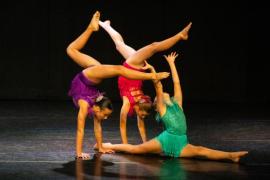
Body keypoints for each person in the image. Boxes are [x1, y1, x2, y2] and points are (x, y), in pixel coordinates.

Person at [99, 52, 249, 163]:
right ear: (158, 105)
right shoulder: (162, 109)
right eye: (158, 99)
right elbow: (158, 85)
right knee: (135, 150)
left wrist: (172, 63)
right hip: (166, 140)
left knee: (200, 151)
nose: (160, 96)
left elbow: (177, 83)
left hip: (181, 142)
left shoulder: (178, 104)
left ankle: (230, 156)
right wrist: (152, 71)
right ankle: (109, 145)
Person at [67, 11, 170, 159]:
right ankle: (152, 75)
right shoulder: (86, 106)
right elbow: (80, 130)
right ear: (97, 107)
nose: (106, 118)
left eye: (107, 116)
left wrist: (101, 147)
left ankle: (91, 28)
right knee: (119, 69)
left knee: (71, 50)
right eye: (106, 115)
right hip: (88, 77)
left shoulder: (92, 106)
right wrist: (79, 153)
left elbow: (97, 128)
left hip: (89, 78)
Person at [99, 19, 192, 144]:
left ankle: (107, 26)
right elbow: (140, 124)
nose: (142, 117)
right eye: (142, 115)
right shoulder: (142, 103)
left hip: (130, 66)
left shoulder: (127, 105)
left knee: (119, 44)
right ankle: (180, 36)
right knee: (153, 46)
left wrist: (129, 144)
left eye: (142, 116)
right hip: (135, 66)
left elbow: (123, 126)